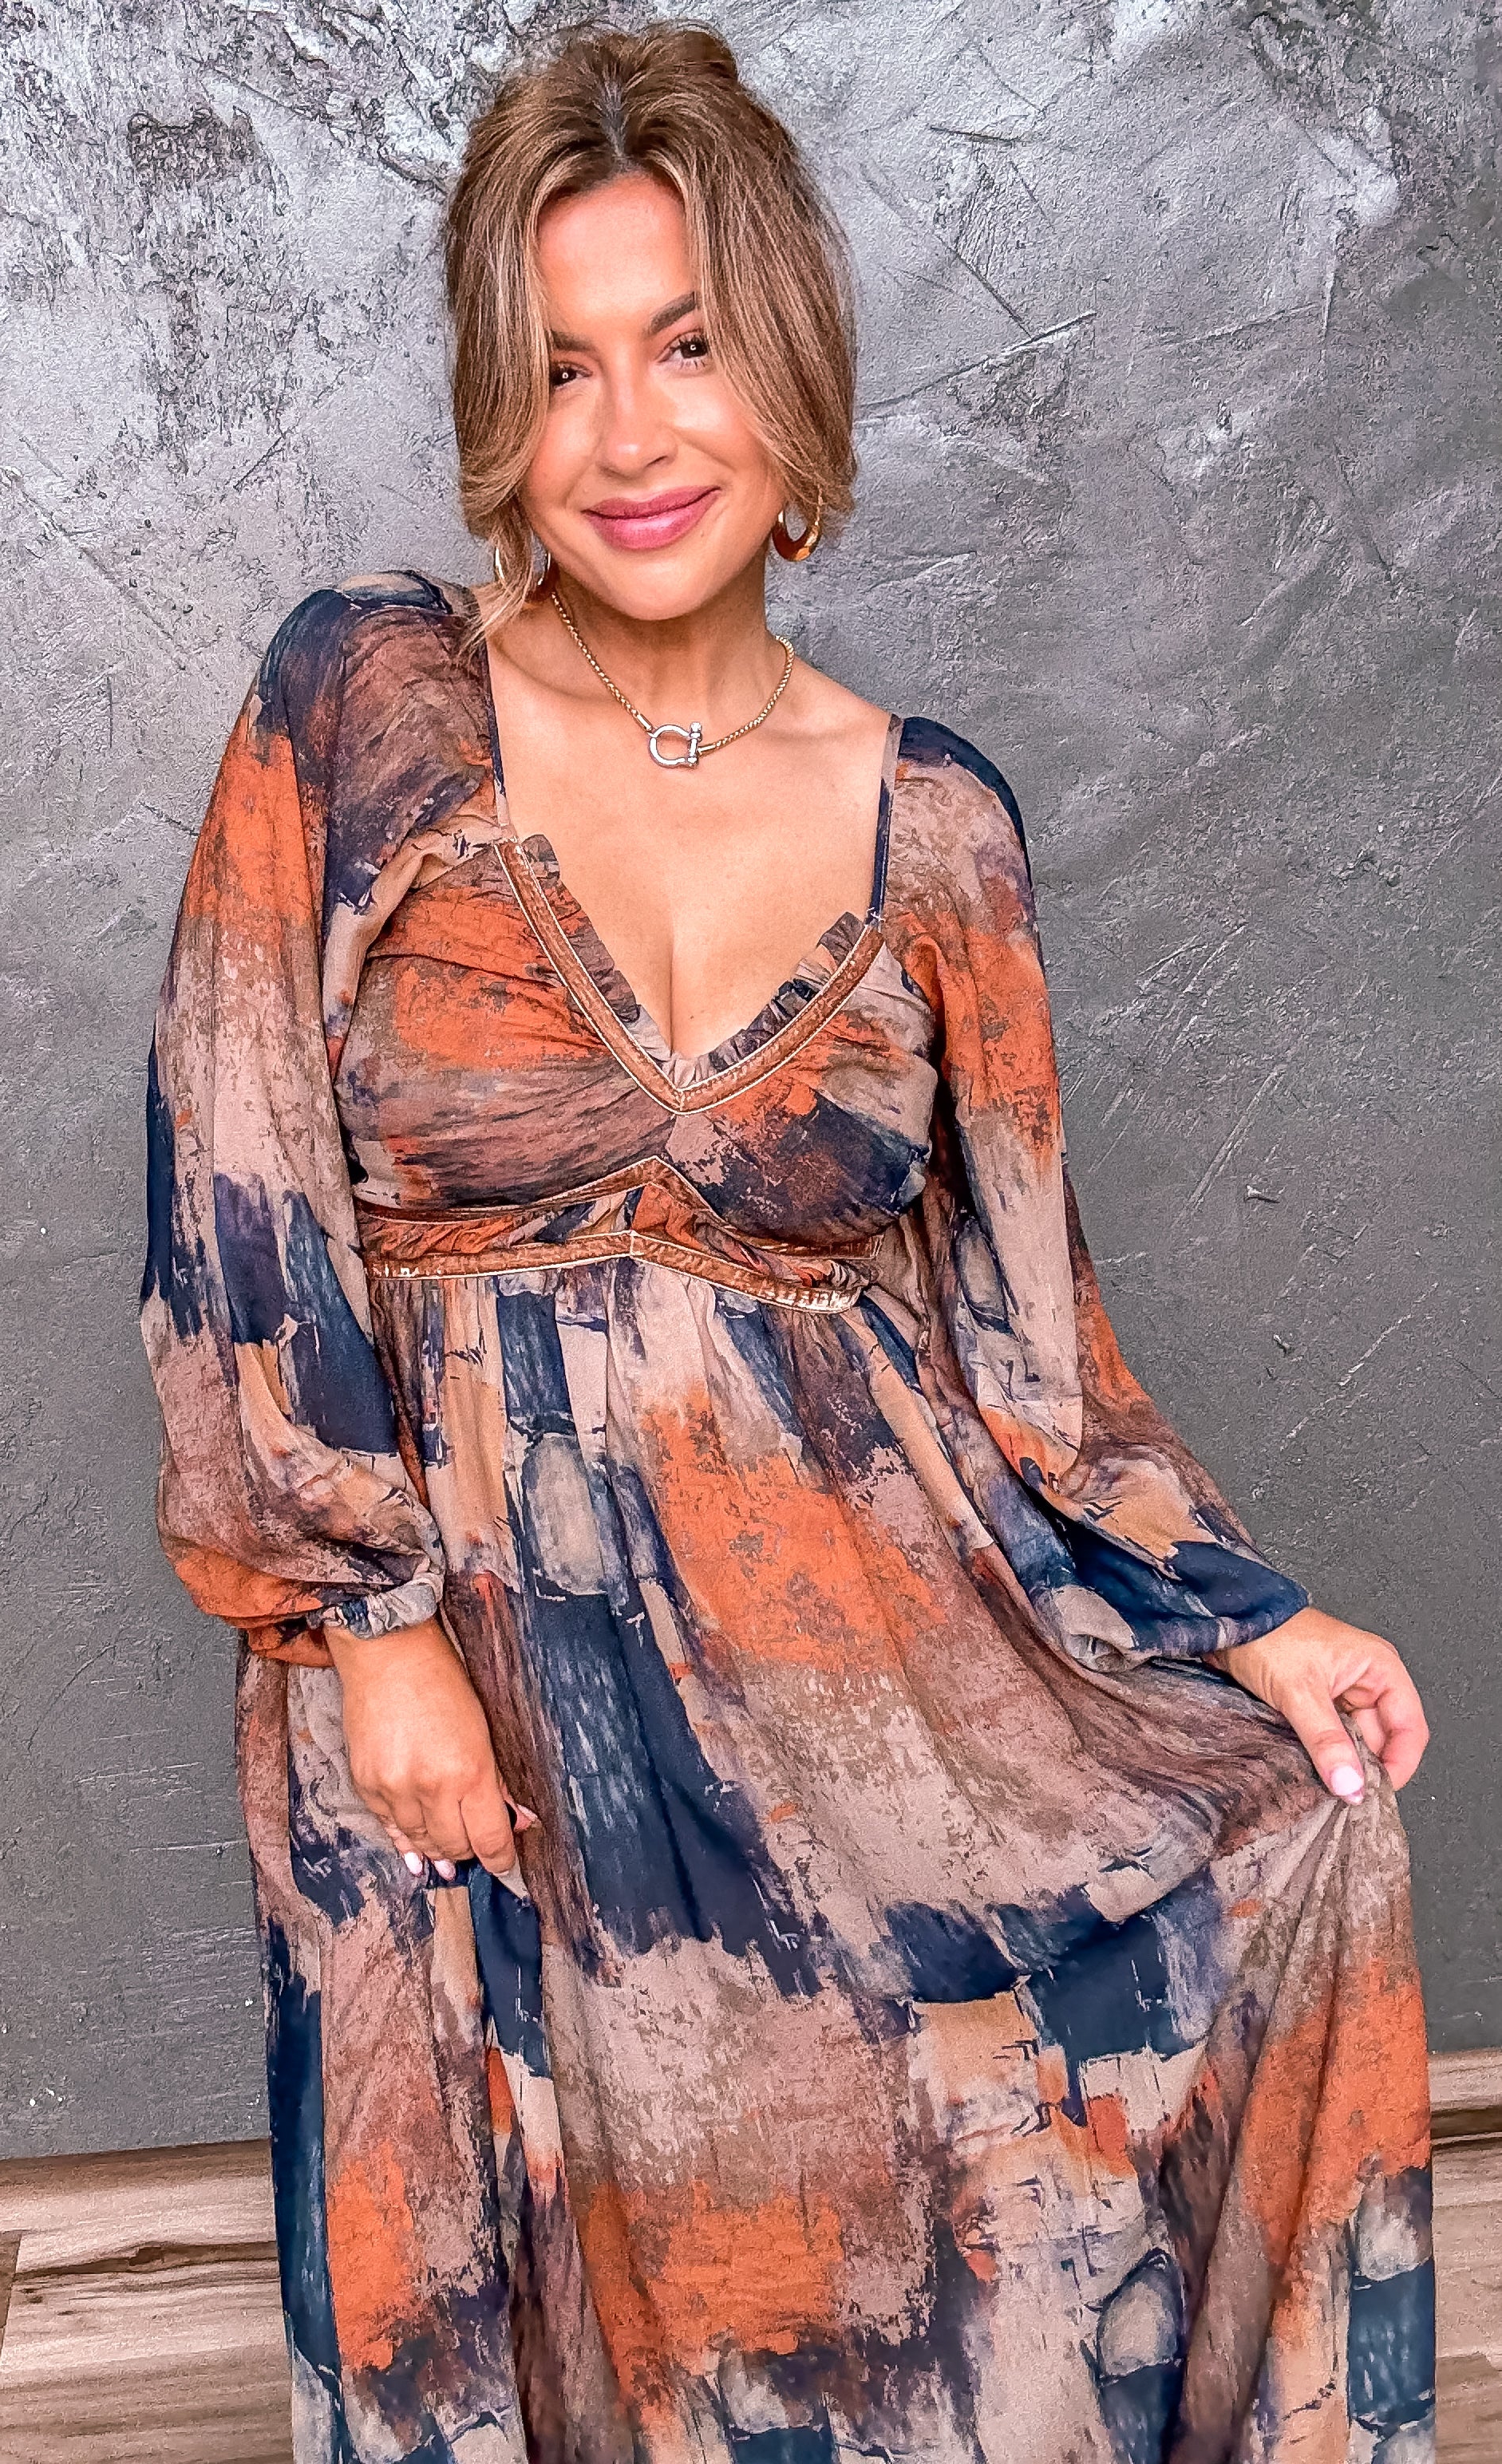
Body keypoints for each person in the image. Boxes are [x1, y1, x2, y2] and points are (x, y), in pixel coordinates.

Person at [140, 23, 1433, 2462]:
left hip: (860, 1689)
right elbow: (238, 1192)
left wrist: (1253, 1619)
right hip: (466, 1688)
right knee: (493, 2292)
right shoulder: (365, 703)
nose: (629, 436)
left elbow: (1028, 1352)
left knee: (913, 2275)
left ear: (795, 372)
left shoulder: (933, 831)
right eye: (561, 368)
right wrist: (375, 1633)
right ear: (497, 411)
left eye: (689, 346)